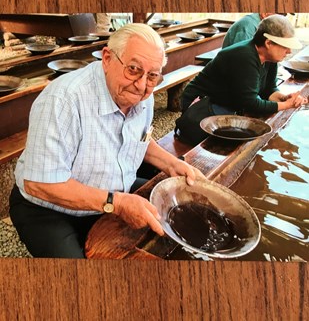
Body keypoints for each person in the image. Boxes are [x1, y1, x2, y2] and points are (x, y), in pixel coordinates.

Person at [9, 23, 203, 258]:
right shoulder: (63, 100)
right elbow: (39, 183)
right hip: (48, 206)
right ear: (108, 58)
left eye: (152, 76)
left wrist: (174, 165)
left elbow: (139, 139)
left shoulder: (143, 94)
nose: (141, 85)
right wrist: (117, 203)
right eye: (133, 69)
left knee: (175, 217)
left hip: (112, 189)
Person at [176, 15, 307, 145]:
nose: (289, 51)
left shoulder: (270, 58)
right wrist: (286, 105)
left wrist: (283, 97)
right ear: (268, 43)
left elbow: (269, 89)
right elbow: (250, 102)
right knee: (221, 145)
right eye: (285, 46)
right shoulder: (244, 57)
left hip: (228, 101)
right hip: (203, 103)